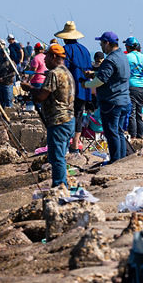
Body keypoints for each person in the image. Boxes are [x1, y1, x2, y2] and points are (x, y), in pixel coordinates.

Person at [32, 43, 75, 189]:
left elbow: (42, 96)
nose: (44, 60)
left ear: (54, 56)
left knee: (56, 158)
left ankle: (60, 187)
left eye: (47, 57)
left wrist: (30, 89)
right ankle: (64, 184)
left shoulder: (54, 73)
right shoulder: (67, 72)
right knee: (60, 156)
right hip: (69, 119)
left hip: (58, 121)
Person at [83, 31, 131, 162]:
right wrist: (94, 73)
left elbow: (101, 81)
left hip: (112, 102)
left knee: (111, 132)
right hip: (124, 101)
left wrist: (86, 84)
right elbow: (113, 74)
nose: (101, 46)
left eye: (101, 43)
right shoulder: (123, 56)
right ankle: (121, 159)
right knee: (119, 132)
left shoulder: (110, 59)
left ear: (107, 43)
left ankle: (115, 160)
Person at [55, 22, 94, 118]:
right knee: (79, 115)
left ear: (65, 38)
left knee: (69, 116)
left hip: (71, 89)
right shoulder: (85, 50)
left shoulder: (65, 49)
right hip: (84, 88)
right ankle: (78, 133)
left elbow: (63, 69)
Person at [125, 37, 143, 140]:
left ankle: (133, 136)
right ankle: (140, 136)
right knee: (139, 113)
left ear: (128, 46)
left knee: (131, 113)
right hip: (142, 87)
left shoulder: (126, 57)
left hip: (131, 86)